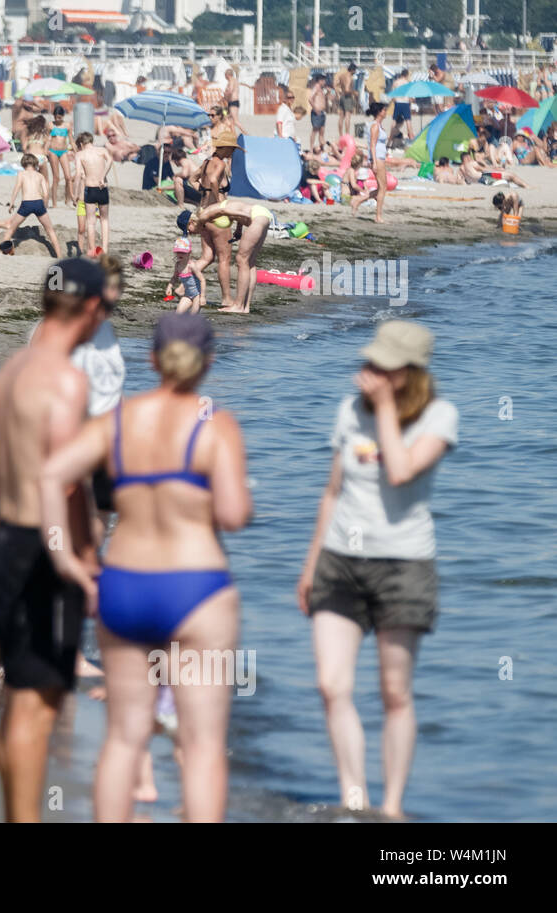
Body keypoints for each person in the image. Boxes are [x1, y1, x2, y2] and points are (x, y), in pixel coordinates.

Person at [40, 312, 251, 822]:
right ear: (210, 361)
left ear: (151, 359)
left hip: (126, 586)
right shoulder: (213, 422)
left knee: (123, 738)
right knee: (202, 748)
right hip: (196, 588)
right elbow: (234, 514)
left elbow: (51, 474)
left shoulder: (117, 420)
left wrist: (63, 556)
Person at [297, 320, 457, 819]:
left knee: (394, 692)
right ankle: (353, 799)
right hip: (340, 561)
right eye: (369, 362)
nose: (368, 373)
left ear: (410, 374)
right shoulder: (350, 410)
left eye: (382, 367)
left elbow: (402, 470)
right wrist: (310, 566)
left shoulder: (440, 416)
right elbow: (332, 492)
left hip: (404, 566)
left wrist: (386, 409)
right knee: (331, 684)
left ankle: (389, 809)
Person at [0, 259, 110, 821]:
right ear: (89, 309)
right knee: (38, 713)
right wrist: (76, 559)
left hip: (7, 543)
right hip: (42, 551)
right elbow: (60, 480)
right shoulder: (65, 380)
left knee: (18, 706)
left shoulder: (13, 369)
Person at [189, 199, 273, 314]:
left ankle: (238, 306)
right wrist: (239, 229)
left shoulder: (203, 216)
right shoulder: (207, 218)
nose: (191, 233)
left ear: (191, 222)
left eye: (188, 230)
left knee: (241, 259)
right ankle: (245, 307)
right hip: (262, 215)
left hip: (256, 217)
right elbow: (233, 213)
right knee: (250, 262)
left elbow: (225, 210)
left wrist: (246, 216)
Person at [0, 153, 62, 258]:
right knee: (50, 230)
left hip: (26, 203)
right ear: (36, 164)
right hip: (38, 203)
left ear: (23, 164)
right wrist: (45, 205)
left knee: (11, 229)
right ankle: (59, 256)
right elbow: (46, 193)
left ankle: (6, 253)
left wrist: (12, 203)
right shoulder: (40, 175)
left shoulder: (21, 174)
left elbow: (17, 188)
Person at [74, 132, 112, 257]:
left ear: (81, 143)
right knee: (104, 219)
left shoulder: (80, 154)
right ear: (92, 141)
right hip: (102, 187)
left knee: (91, 222)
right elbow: (110, 160)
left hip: (90, 189)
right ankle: (105, 249)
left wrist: (75, 194)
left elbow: (78, 174)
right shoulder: (101, 150)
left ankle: (92, 250)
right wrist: (103, 176)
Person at [366, 99, 392, 224]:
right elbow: (372, 144)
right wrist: (374, 162)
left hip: (381, 158)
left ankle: (359, 200)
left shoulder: (379, 126)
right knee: (382, 187)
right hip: (377, 160)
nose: (386, 112)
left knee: (382, 187)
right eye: (384, 110)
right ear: (379, 112)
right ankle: (378, 216)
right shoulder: (375, 126)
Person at [166, 236, 203, 313]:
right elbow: (174, 277)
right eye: (178, 252)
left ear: (189, 253)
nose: (180, 254)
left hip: (197, 295)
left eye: (183, 252)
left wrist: (202, 297)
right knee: (178, 314)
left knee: (193, 318)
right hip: (187, 295)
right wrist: (169, 287)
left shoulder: (191, 265)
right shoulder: (178, 265)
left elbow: (202, 280)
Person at [49, 106, 73, 204]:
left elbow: (71, 140)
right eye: (56, 117)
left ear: (63, 116)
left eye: (60, 117)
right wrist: (45, 151)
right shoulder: (50, 125)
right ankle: (54, 202)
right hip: (53, 151)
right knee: (56, 178)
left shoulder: (67, 125)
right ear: (54, 116)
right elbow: (47, 139)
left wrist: (77, 150)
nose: (58, 119)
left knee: (68, 177)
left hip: (63, 151)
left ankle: (67, 200)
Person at [337, 64, 359, 138]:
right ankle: (347, 134)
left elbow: (337, 85)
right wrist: (354, 92)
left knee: (341, 117)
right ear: (352, 70)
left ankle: (340, 135)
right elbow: (347, 90)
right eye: (355, 70)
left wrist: (338, 93)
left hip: (342, 97)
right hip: (347, 97)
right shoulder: (349, 77)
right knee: (347, 116)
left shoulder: (342, 75)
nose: (355, 72)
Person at [308, 75, 328, 151]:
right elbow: (310, 99)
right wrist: (315, 109)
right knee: (315, 131)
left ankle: (322, 149)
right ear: (319, 80)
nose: (324, 82)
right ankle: (311, 149)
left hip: (322, 112)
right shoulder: (316, 87)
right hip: (317, 112)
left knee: (322, 132)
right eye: (323, 80)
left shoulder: (321, 89)